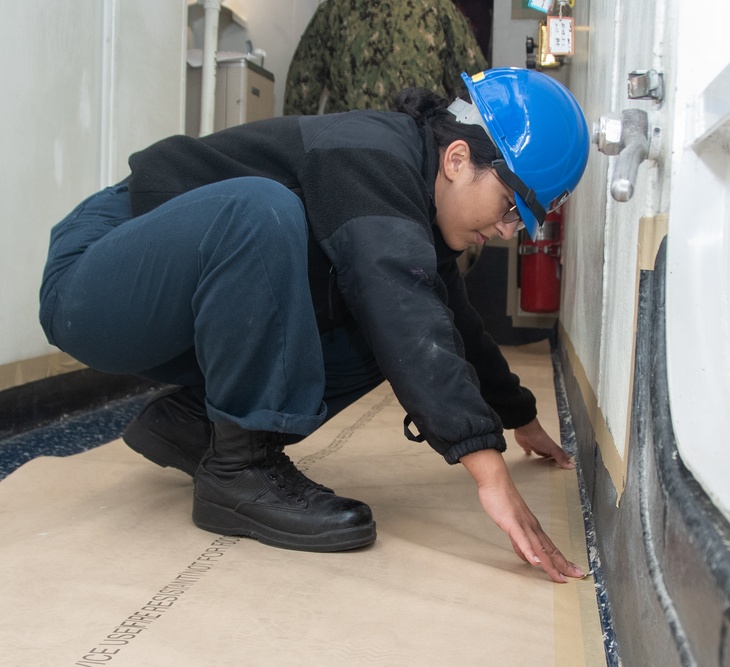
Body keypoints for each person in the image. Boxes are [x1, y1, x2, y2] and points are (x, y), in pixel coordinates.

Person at [39, 68, 590, 584]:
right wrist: (489, 473)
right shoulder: (370, 154)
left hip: (176, 307)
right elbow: (401, 307)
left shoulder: (419, 203)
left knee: (392, 313)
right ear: (457, 158)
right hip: (96, 276)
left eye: (523, 220)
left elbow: (451, 325)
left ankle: (197, 429)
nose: (507, 228)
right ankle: (239, 471)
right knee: (267, 214)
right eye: (510, 206)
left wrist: (518, 415)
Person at [284, 0, 488, 116]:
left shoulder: (336, 7)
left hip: (389, 144)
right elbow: (477, 87)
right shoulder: (435, 6)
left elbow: (302, 85)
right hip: (404, 147)